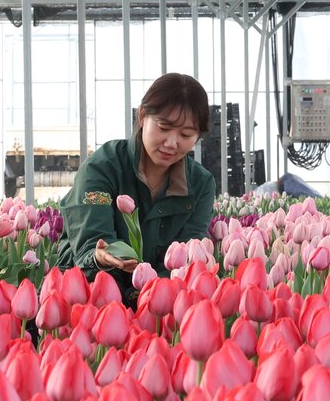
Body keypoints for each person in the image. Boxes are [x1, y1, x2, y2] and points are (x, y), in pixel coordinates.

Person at [55, 73, 218, 301]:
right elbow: (91, 240)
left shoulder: (200, 184)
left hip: (159, 302)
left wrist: (147, 294)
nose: (172, 143)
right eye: (163, 127)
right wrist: (99, 254)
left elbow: (190, 254)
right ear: (142, 116)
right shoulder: (103, 168)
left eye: (185, 135)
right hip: (90, 295)